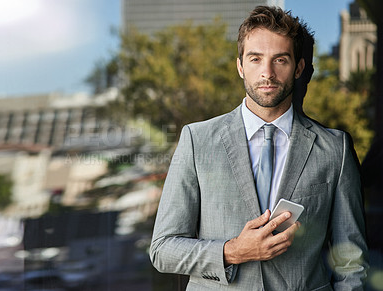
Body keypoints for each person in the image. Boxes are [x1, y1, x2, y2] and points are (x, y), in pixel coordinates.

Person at [149, 6, 369, 290]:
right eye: (255, 59)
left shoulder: (335, 149)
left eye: (280, 60)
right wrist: (232, 251)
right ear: (240, 66)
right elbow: (162, 249)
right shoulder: (196, 140)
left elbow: (351, 262)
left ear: (299, 68)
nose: (267, 73)